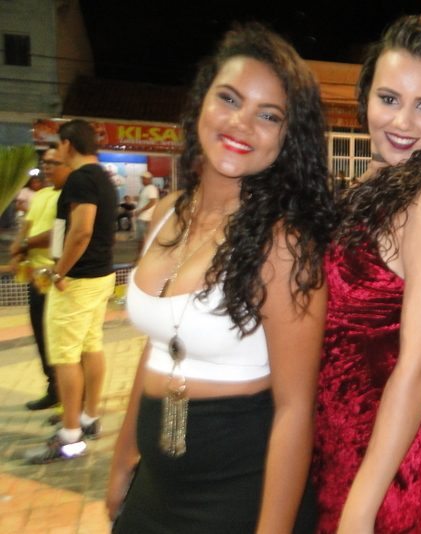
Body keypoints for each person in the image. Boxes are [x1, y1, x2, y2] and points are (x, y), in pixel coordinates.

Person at [106, 23, 333, 533]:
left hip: (240, 493)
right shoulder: (166, 213)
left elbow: (295, 409)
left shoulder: (284, 246)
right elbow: (158, 346)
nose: (241, 123)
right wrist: (122, 456)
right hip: (155, 486)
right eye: (229, 98)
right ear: (201, 102)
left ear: (287, 138)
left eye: (268, 115)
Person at [311, 15, 421, 533]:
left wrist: (362, 507)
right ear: (366, 99)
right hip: (335, 436)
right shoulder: (366, 186)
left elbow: (420, 363)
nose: (403, 121)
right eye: (389, 98)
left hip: (389, 458)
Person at [24, 119, 118, 464]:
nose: (54, 156)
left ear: (68, 144)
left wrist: (57, 271)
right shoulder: (103, 177)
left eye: (57, 146)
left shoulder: (81, 179)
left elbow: (81, 232)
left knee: (65, 356)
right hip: (100, 276)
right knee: (91, 346)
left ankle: (70, 435)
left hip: (76, 280)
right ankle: (89, 418)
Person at [9, 147, 69, 410]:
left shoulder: (68, 196)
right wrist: (17, 251)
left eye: (53, 162)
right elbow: (27, 227)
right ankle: (53, 388)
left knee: (61, 340)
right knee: (42, 337)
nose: (47, 167)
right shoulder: (42, 194)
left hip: (55, 276)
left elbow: (57, 234)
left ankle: (71, 396)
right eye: (45, 162)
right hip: (35, 276)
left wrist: (24, 245)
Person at [133, 171, 159, 249]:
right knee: (142, 239)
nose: (142, 180)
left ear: (149, 179)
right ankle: (141, 254)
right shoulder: (145, 188)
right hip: (142, 217)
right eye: (142, 179)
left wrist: (141, 210)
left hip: (145, 218)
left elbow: (153, 202)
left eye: (143, 179)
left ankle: (142, 255)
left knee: (143, 239)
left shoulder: (151, 188)